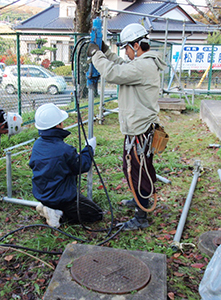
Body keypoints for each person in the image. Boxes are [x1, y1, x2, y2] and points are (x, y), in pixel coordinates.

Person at [87, 23, 167, 230]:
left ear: (137, 45)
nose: (125, 52)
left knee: (137, 171)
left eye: (126, 48)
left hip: (139, 130)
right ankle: (140, 200)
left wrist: (96, 55)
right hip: (140, 128)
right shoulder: (142, 63)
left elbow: (114, 73)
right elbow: (121, 66)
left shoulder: (143, 66)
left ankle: (141, 217)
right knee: (136, 168)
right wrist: (105, 51)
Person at [29, 103, 103, 227]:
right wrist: (89, 149)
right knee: (96, 214)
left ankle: (47, 206)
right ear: (57, 125)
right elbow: (82, 165)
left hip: (43, 193)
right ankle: (57, 213)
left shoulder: (37, 145)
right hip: (61, 198)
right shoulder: (64, 150)